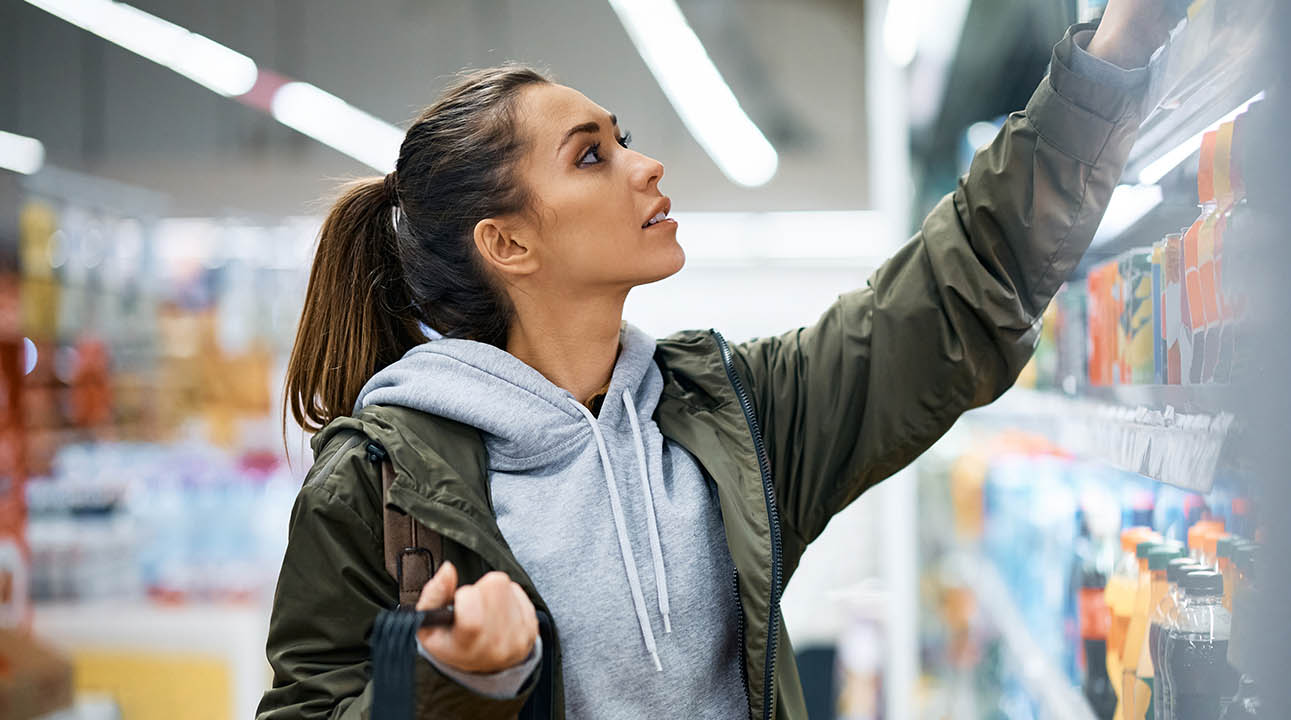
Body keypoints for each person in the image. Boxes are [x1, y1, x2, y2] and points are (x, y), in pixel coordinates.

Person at [257, 0, 1168, 717]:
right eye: (591, 157)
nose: (645, 165)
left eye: (620, 138)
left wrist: (1112, 56)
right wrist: (451, 684)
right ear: (508, 245)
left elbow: (950, 294)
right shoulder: (379, 488)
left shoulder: (728, 416)